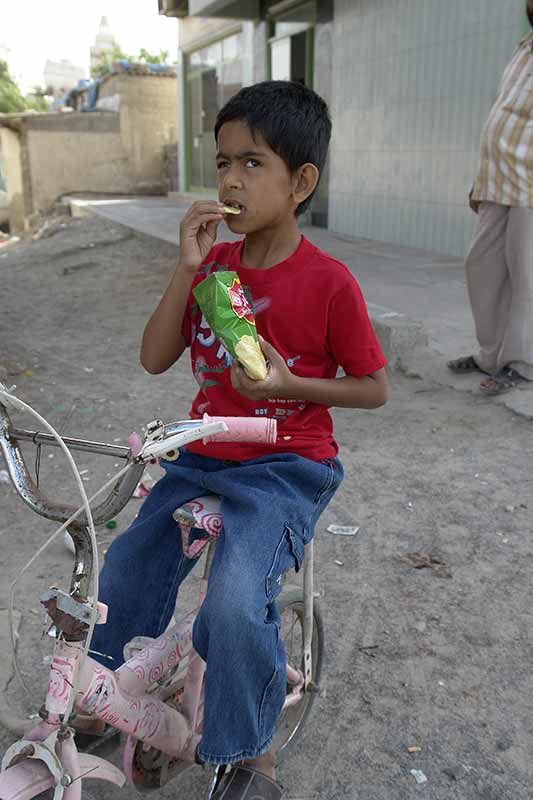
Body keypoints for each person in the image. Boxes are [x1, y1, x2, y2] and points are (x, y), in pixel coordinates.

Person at [89, 80, 388, 799]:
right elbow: (155, 357)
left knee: (230, 604)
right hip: (203, 454)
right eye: (222, 161)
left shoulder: (327, 282)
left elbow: (371, 388)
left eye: (252, 163)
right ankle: (93, 700)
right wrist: (187, 266)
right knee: (122, 571)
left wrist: (291, 386)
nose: (229, 179)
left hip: (285, 467)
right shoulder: (216, 271)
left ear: (300, 182)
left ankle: (252, 753)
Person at [448, 1, 533, 395]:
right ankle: (490, 353)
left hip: (530, 181)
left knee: (527, 276)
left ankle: (522, 362)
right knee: (481, 266)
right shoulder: (525, 46)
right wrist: (480, 181)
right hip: (499, 179)